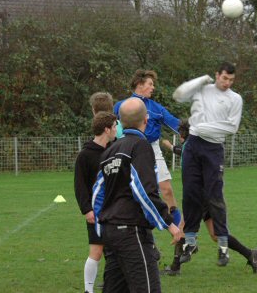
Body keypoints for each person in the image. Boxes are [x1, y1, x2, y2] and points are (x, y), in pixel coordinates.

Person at [93, 97, 182, 293]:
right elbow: (143, 191)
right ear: (146, 120)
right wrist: (169, 224)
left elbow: (97, 193)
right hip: (131, 232)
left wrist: (102, 228)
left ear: (120, 122)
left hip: (110, 233)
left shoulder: (110, 151)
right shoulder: (140, 147)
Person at [161, 120, 257, 275]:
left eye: (180, 134)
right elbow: (180, 150)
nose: (179, 137)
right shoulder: (194, 147)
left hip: (199, 197)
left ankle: (175, 267)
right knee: (216, 235)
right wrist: (168, 146)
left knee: (182, 228)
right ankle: (250, 254)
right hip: (206, 197)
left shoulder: (192, 147)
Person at [172, 61, 245, 267]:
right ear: (217, 75)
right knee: (191, 193)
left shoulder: (235, 99)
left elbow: (231, 127)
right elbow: (178, 95)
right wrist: (201, 79)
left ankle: (223, 247)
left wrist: (201, 127)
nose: (227, 83)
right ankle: (190, 243)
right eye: (224, 78)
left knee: (214, 196)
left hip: (213, 149)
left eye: (231, 79)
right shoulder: (202, 89)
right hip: (193, 146)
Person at [113, 70, 182, 227]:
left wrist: (196, 130)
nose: (153, 87)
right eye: (150, 84)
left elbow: (176, 124)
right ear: (140, 84)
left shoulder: (156, 108)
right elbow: (109, 127)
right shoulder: (121, 106)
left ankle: (180, 236)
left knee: (167, 190)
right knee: (132, 193)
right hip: (128, 148)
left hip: (152, 149)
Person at [73, 111, 117, 293]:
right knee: (97, 252)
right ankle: (88, 290)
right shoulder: (85, 155)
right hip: (96, 212)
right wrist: (87, 210)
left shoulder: (115, 150)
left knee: (116, 253)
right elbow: (80, 185)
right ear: (107, 129)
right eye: (115, 126)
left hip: (115, 210)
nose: (117, 129)